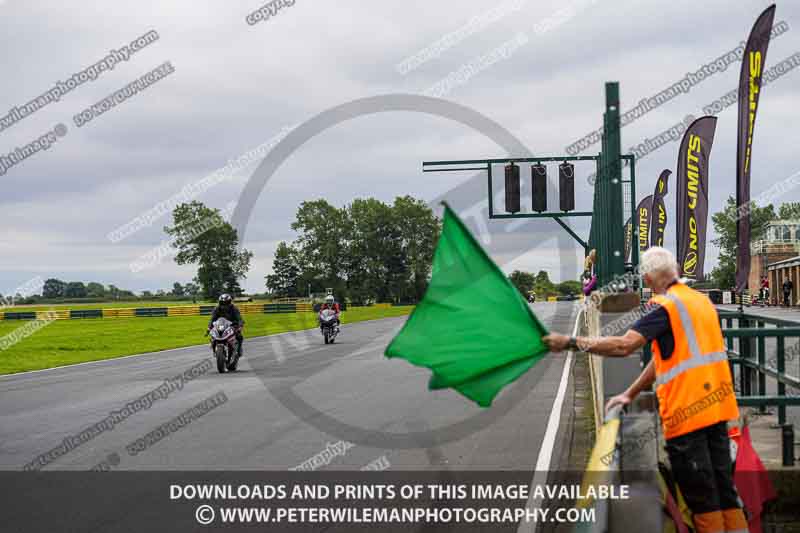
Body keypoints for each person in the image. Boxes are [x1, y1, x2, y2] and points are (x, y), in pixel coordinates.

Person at [543, 247, 746, 533]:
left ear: (649, 279)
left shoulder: (663, 306)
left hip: (687, 418)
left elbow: (624, 345)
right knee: (726, 494)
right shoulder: (701, 303)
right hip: (718, 411)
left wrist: (570, 342)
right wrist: (632, 392)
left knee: (703, 501)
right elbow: (668, 358)